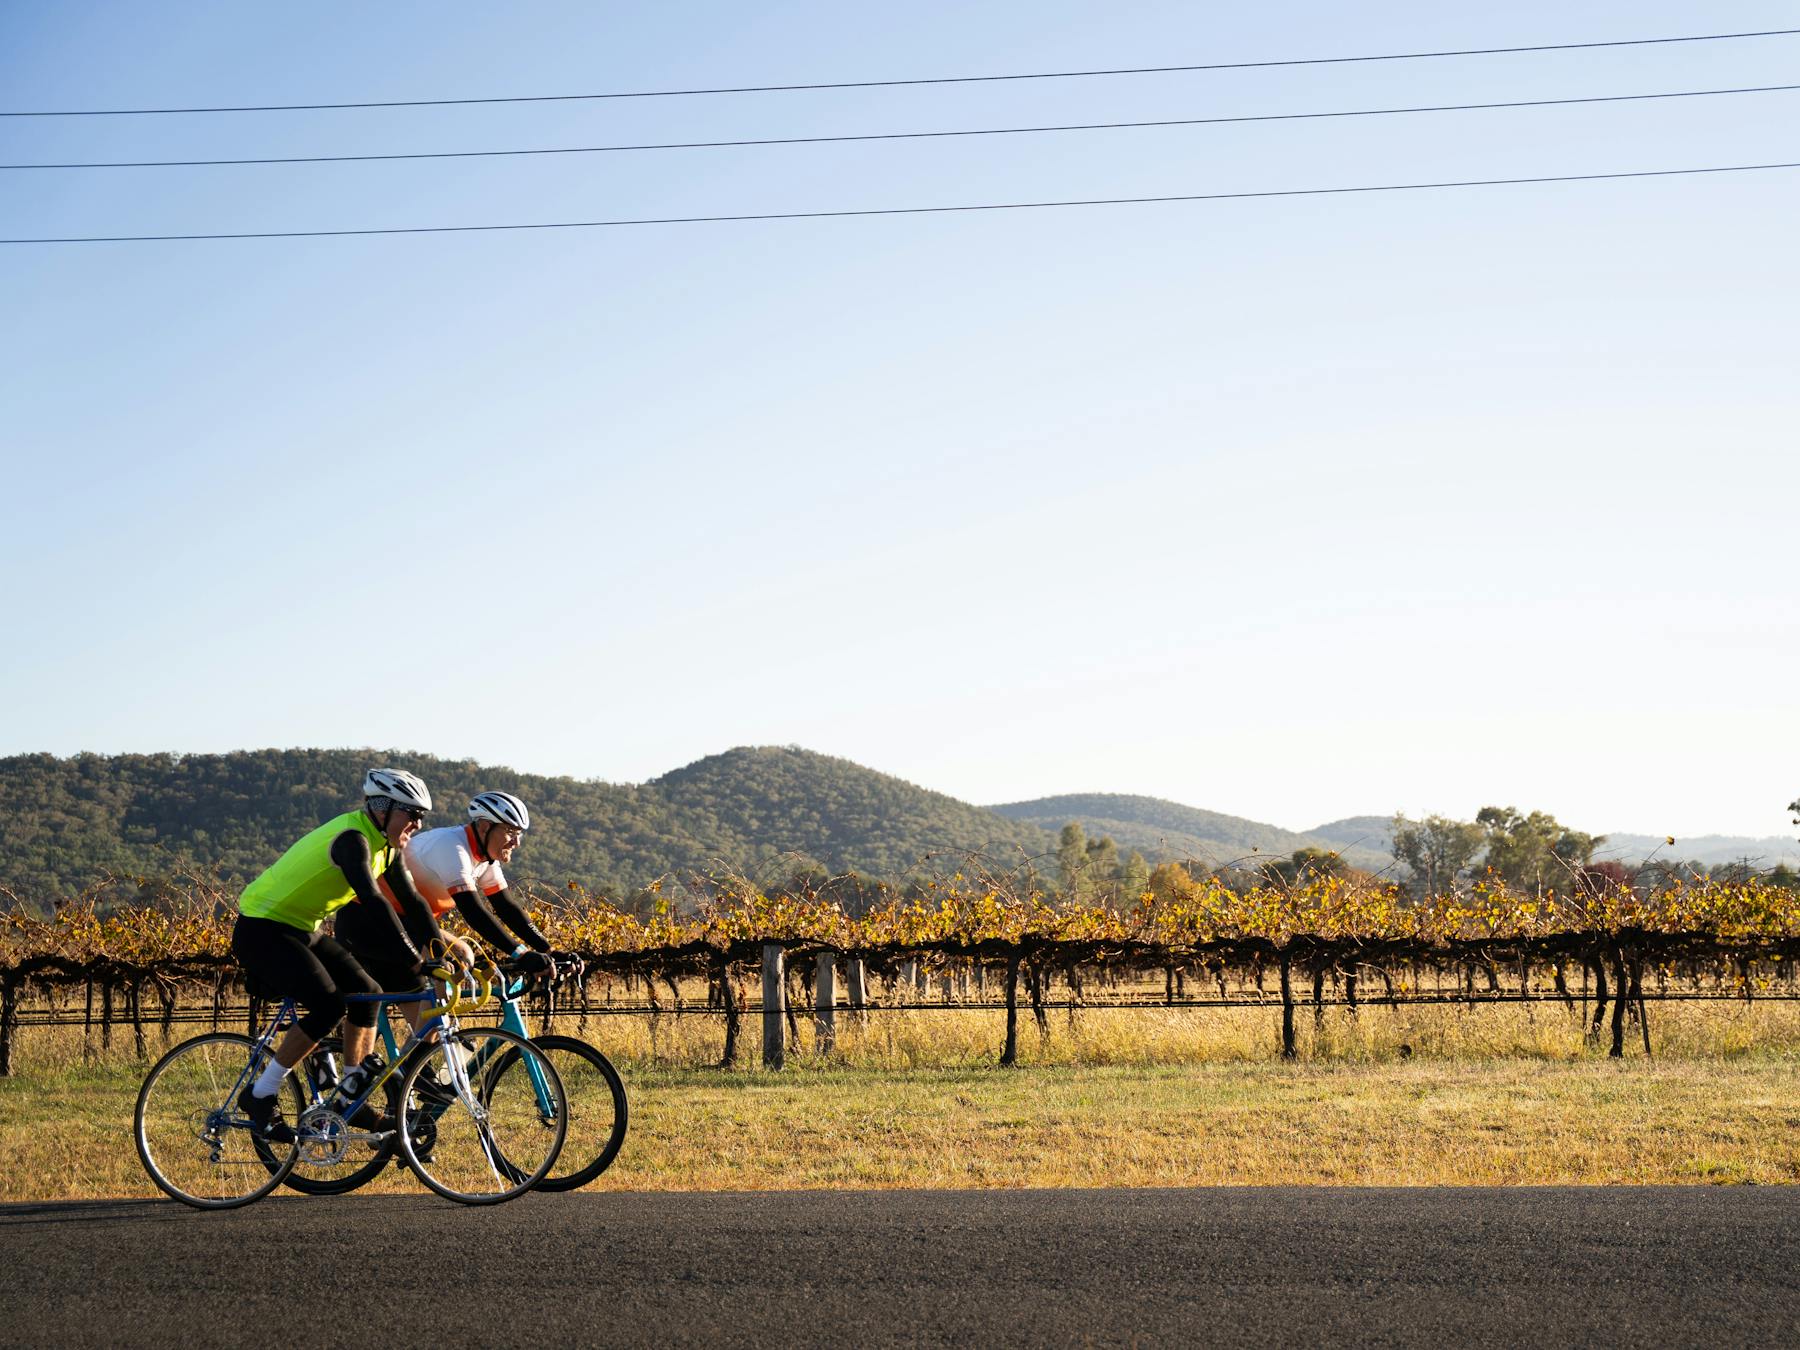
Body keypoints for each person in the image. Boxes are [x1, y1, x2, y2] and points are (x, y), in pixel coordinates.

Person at [231, 768, 443, 1141]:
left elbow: (413, 902)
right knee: (328, 1004)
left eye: (421, 816)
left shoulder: (387, 849)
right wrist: (414, 957)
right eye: (411, 814)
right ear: (382, 809)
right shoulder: (353, 840)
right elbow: (376, 903)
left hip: (302, 927)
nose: (417, 823)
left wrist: (439, 952)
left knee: (367, 991)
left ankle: (350, 1095)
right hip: (263, 927)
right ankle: (260, 1092)